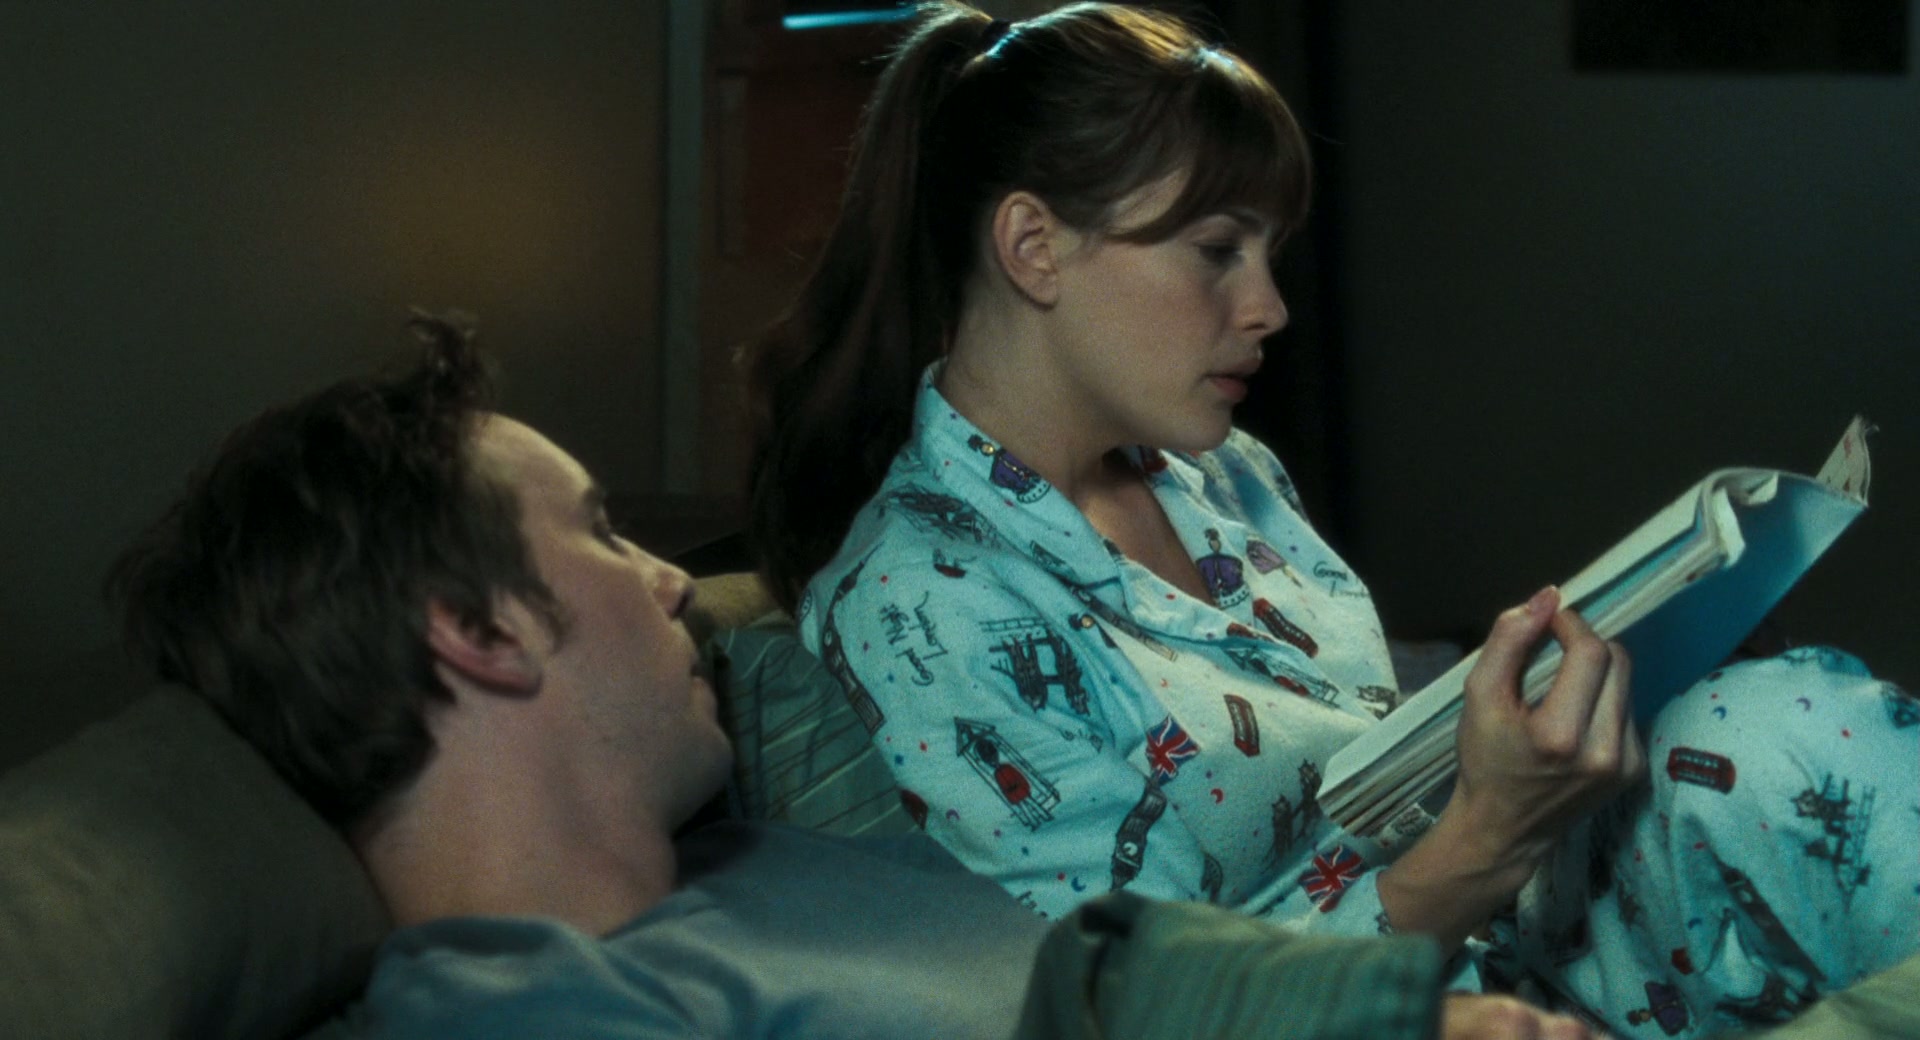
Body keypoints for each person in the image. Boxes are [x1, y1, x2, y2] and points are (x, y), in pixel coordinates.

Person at [743, 4, 1919, 1037]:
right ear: (1033, 246)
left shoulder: (1224, 471)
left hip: (1518, 929)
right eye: (1217, 251)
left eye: (1269, 253)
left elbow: (1365, 757)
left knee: (1774, 726)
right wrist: (1491, 832)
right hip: (1390, 1005)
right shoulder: (919, 600)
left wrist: (1591, 679)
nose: (1268, 306)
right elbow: (1159, 1010)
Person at [108, 313, 1614, 1039]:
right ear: (479, 630)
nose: (667, 580)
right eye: (600, 530)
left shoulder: (779, 857)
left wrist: (1402, 1017)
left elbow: (1102, 974)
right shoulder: (511, 1013)